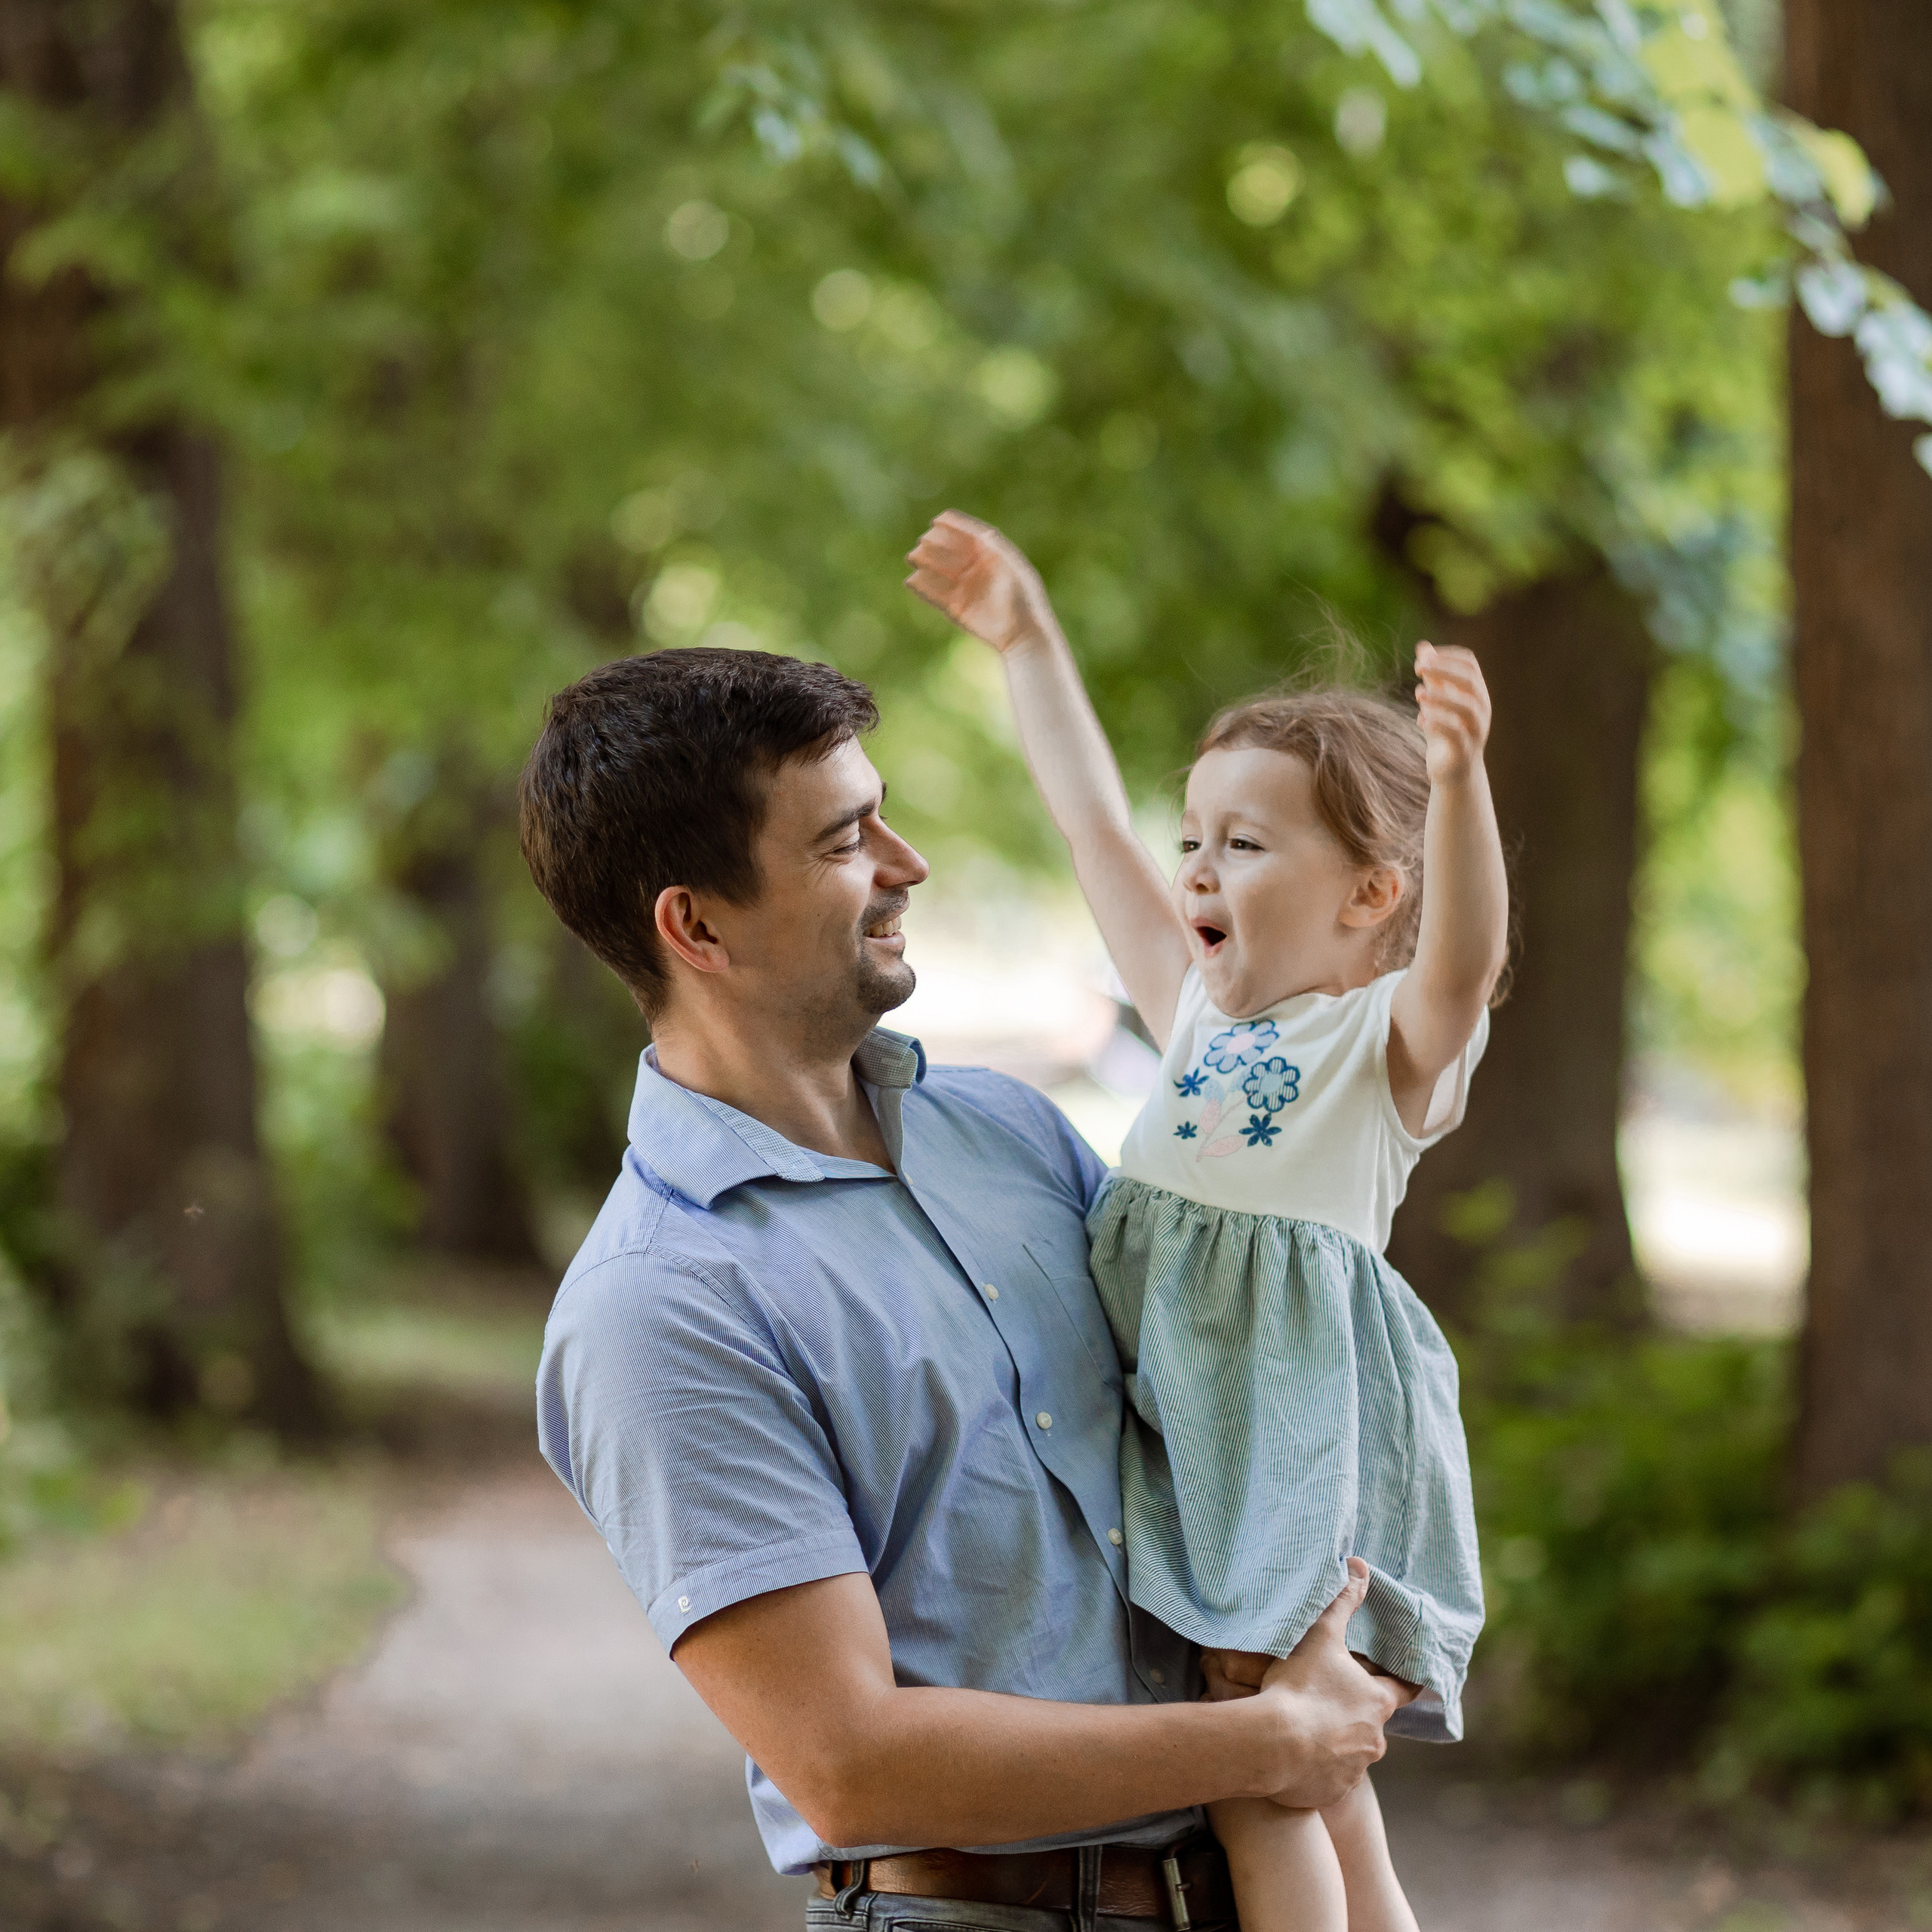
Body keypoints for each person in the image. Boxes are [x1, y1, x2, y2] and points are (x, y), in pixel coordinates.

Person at [520, 645, 1412, 1932]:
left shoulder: (1014, 1134)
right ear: (695, 924)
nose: (907, 861)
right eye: (843, 841)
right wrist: (1272, 1746)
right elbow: (851, 1764)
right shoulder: (660, 1306)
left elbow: (1242, 1392)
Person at [905, 511, 1509, 1932]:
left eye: (1243, 844)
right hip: (1201, 1459)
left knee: (1264, 1776)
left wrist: (1461, 778)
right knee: (1310, 1785)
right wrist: (1027, 638)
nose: (1193, 871)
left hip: (1297, 1463)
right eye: (1198, 839)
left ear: (1372, 894)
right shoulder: (1186, 1016)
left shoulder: (1378, 1052)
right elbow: (1091, 824)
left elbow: (1469, 961)